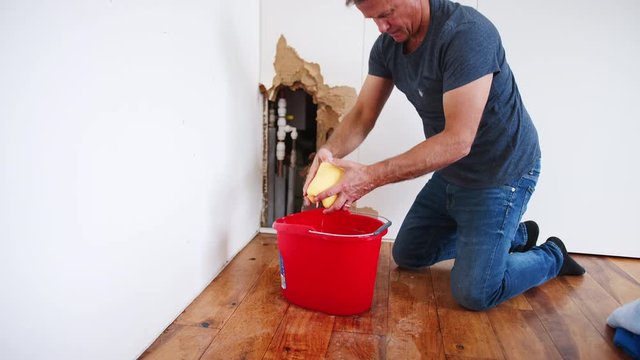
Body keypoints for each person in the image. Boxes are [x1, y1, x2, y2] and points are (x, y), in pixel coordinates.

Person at [302, 0, 585, 311]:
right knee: (409, 255)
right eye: (373, 20)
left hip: (501, 173)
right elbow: (363, 113)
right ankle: (515, 235)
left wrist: (369, 177)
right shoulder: (388, 46)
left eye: (386, 14)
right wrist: (328, 151)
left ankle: (552, 255)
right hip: (451, 170)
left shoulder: (467, 34)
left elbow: (457, 141)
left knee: (475, 293)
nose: (381, 28)